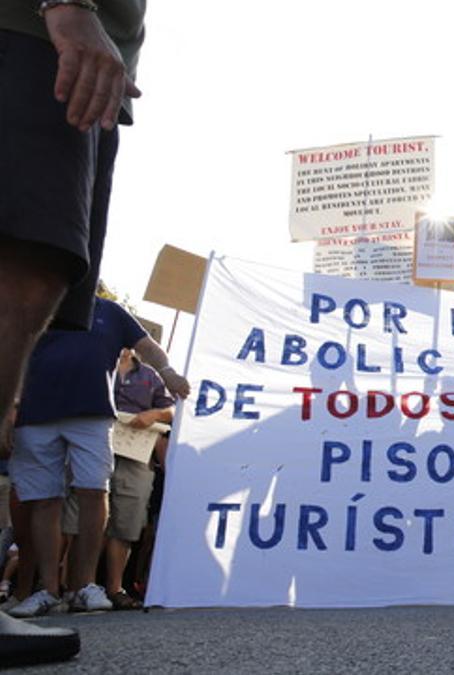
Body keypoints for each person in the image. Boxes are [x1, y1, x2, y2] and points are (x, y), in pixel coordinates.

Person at [0, 0, 147, 665]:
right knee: (25, 263)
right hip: (39, 38)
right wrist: (71, 5)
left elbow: (152, 352)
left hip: (65, 49)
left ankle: (80, 584)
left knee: (35, 271)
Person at [7, 297, 188, 618]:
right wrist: (10, 404)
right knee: (45, 498)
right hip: (36, 413)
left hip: (92, 415)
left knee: (94, 491)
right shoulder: (37, 297)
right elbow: (12, 348)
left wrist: (167, 372)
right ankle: (48, 590)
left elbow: (149, 347)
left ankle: (85, 586)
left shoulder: (110, 311)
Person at [102, 348, 174, 609]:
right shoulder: (96, 363)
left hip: (136, 452)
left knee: (127, 522)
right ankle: (73, 587)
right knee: (80, 519)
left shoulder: (150, 375)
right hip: (95, 443)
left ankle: (115, 589)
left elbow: (171, 410)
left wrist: (153, 414)